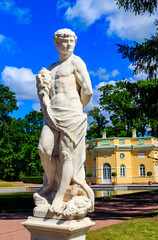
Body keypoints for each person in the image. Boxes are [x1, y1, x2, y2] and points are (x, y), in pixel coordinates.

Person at [36, 28, 94, 215]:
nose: (69, 44)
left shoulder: (76, 62)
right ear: (56, 43)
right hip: (51, 115)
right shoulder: (51, 68)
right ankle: (52, 182)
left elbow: (88, 91)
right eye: (64, 41)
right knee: (43, 150)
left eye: (72, 41)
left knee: (66, 154)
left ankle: (60, 195)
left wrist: (77, 108)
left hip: (72, 115)